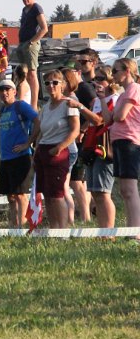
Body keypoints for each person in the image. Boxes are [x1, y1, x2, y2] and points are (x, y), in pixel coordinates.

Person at [31, 69, 80, 229]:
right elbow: (41, 132)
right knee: (47, 193)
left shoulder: (69, 104)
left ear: (62, 85)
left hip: (58, 151)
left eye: (55, 82)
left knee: (58, 194)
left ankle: (63, 230)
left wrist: (60, 147)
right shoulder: (46, 107)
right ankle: (53, 229)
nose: (50, 85)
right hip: (43, 150)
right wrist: (36, 151)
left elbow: (75, 131)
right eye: (47, 83)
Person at [77, 65, 118, 231]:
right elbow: (93, 122)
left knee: (103, 192)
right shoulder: (98, 102)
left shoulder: (114, 99)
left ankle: (109, 231)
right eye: (95, 79)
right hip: (92, 147)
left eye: (101, 79)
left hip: (106, 149)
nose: (96, 82)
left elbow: (105, 121)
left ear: (111, 81)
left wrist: (100, 100)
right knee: (95, 192)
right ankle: (102, 231)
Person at [0, 79, 38, 227]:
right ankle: (14, 226)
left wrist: (28, 142)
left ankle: (23, 227)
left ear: (14, 91)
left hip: (20, 156)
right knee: (11, 196)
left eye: (7, 89)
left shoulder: (21, 106)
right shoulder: (3, 109)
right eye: (1, 90)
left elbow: (37, 120)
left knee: (20, 195)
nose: (4, 93)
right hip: (5, 158)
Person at [105, 58, 140, 238]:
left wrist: (115, 114)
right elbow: (109, 118)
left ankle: (136, 232)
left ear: (127, 71)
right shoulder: (123, 94)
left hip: (130, 141)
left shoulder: (134, 89)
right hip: (120, 141)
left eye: (115, 71)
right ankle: (130, 228)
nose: (113, 75)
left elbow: (119, 116)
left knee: (130, 188)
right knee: (124, 189)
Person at [63, 67, 95, 223]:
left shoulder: (79, 92)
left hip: (79, 142)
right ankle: (87, 215)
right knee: (79, 182)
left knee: (77, 182)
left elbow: (95, 110)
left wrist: (83, 129)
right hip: (77, 141)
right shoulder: (69, 97)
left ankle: (86, 217)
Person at [18, 0, 48, 111]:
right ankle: (24, 101)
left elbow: (44, 28)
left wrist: (31, 42)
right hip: (23, 43)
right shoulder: (24, 9)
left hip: (31, 44)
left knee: (32, 73)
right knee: (23, 73)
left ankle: (34, 105)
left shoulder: (36, 8)